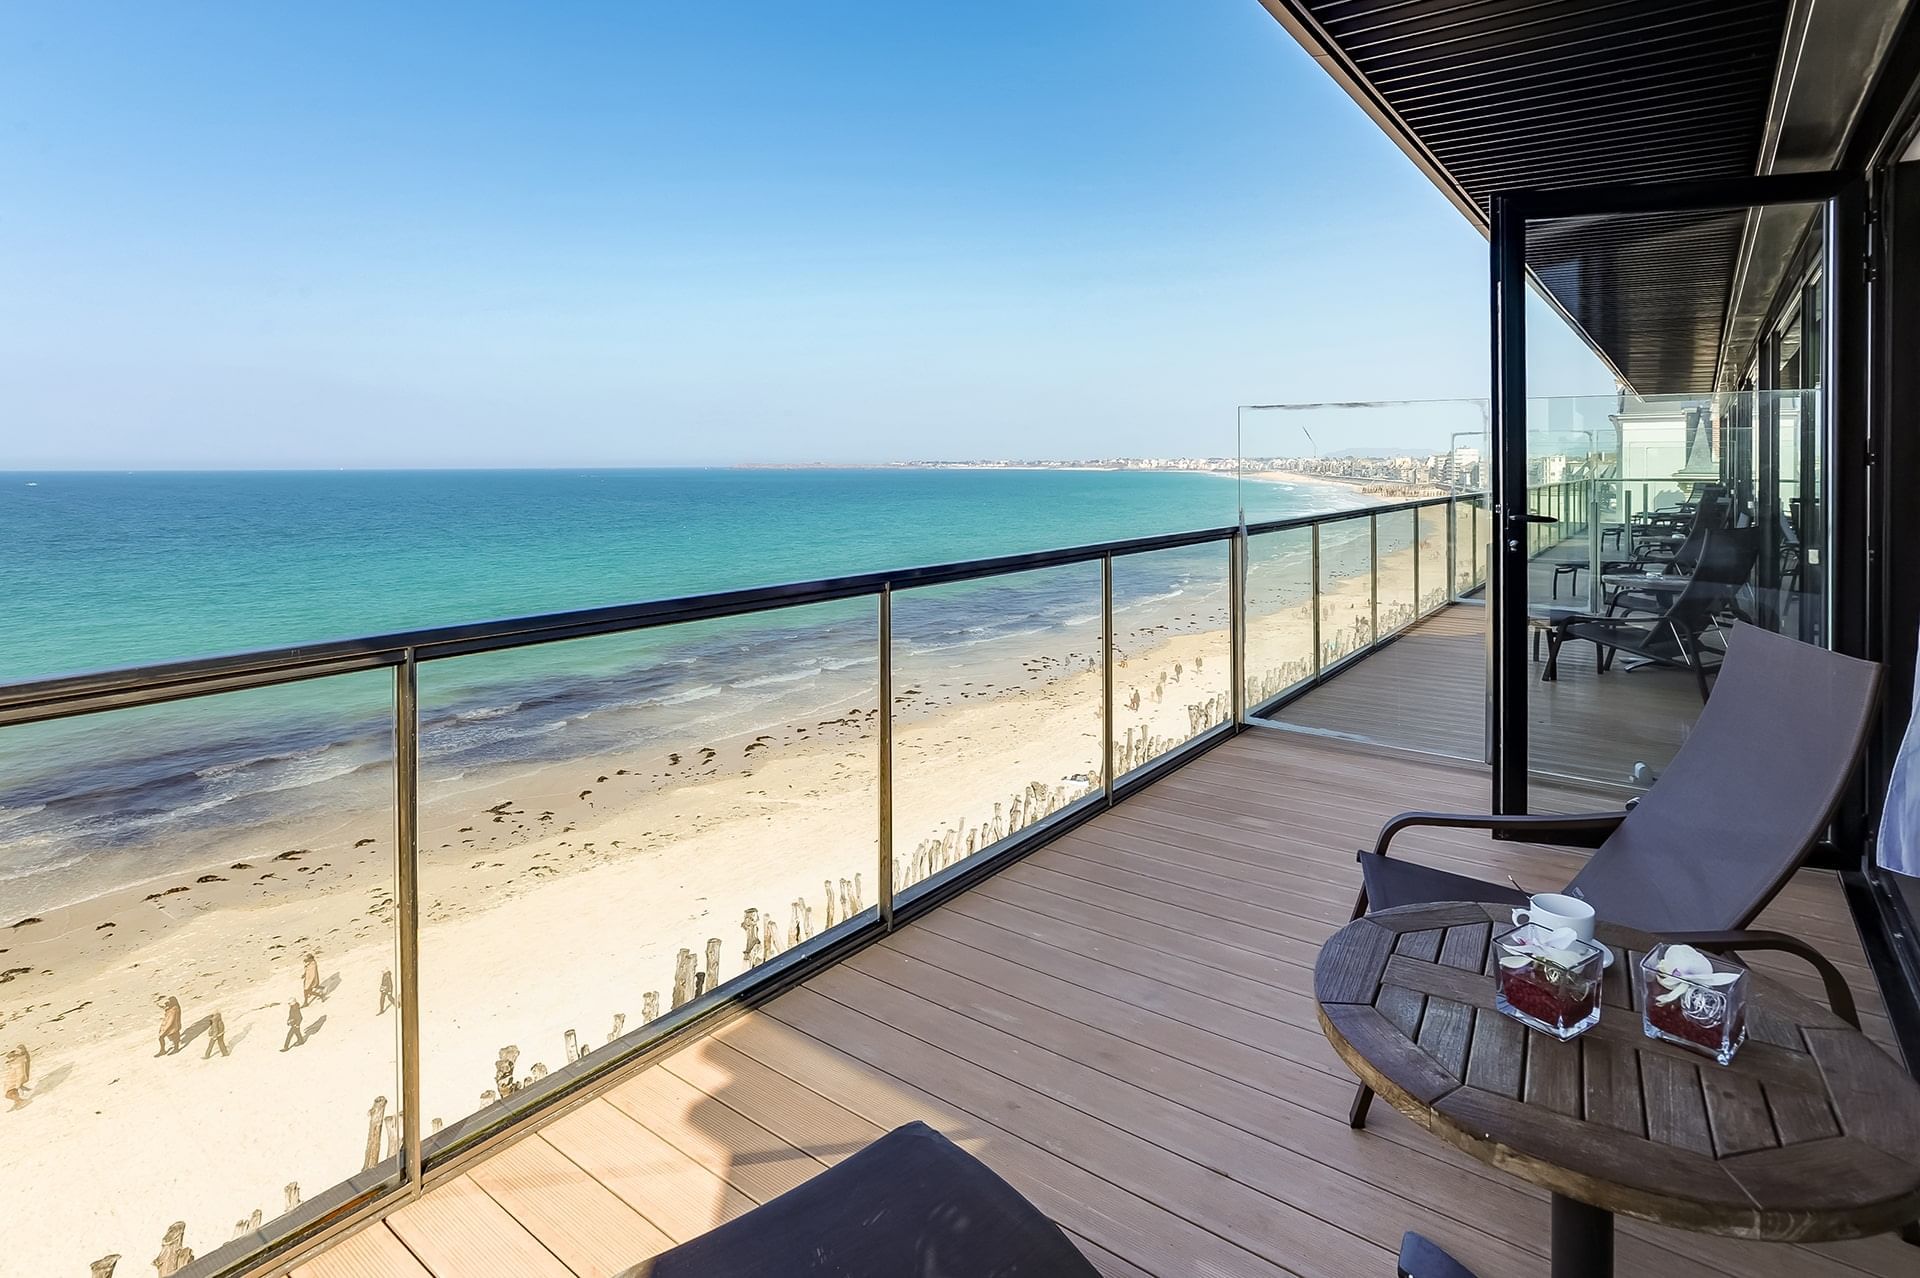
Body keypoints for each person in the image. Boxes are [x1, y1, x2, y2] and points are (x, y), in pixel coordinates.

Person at [3, 1043, 29, 1108]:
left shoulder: (18, 1065)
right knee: (9, 1095)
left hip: (14, 1084)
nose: (10, 1060)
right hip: (11, 1084)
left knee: (10, 1094)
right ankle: (18, 1101)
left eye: (11, 1058)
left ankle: (20, 1101)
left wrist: (18, 1086)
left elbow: (21, 1075)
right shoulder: (15, 1064)